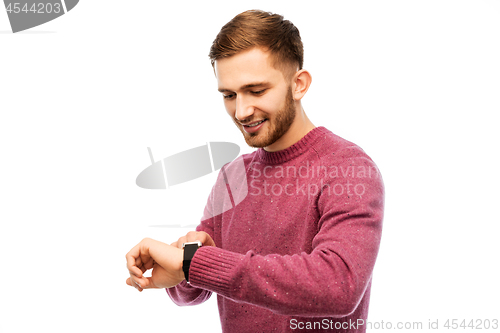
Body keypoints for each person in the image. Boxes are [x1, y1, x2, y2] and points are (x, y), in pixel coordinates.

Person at [126, 9, 384, 333]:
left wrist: (194, 264)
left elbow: (338, 285)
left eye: (257, 91)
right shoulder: (232, 177)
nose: (241, 111)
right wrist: (182, 271)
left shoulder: (349, 169)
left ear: (299, 85)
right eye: (229, 95)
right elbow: (200, 280)